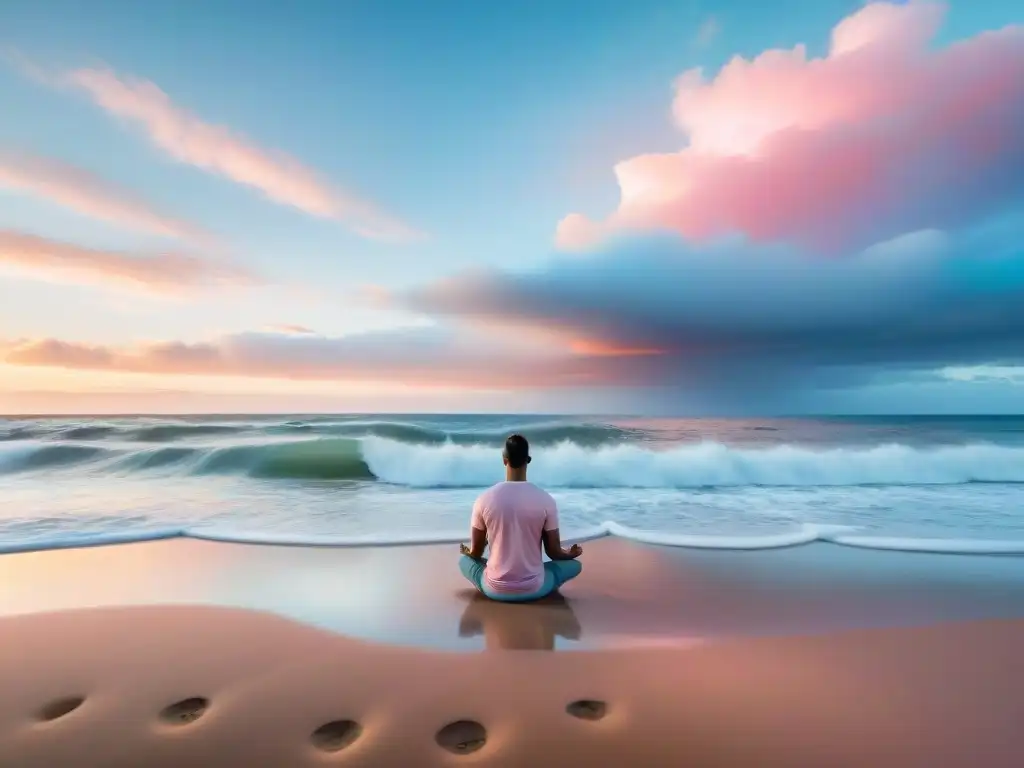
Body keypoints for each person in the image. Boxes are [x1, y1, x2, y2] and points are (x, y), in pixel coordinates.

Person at [458, 434, 583, 602]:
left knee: (464, 561)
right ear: (528, 460)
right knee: (575, 565)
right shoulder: (545, 500)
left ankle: (498, 574)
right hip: (535, 588)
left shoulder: (483, 499)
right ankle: (541, 586)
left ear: (504, 460)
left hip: (494, 589)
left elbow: (476, 552)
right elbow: (553, 552)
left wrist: (470, 550)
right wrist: (570, 554)